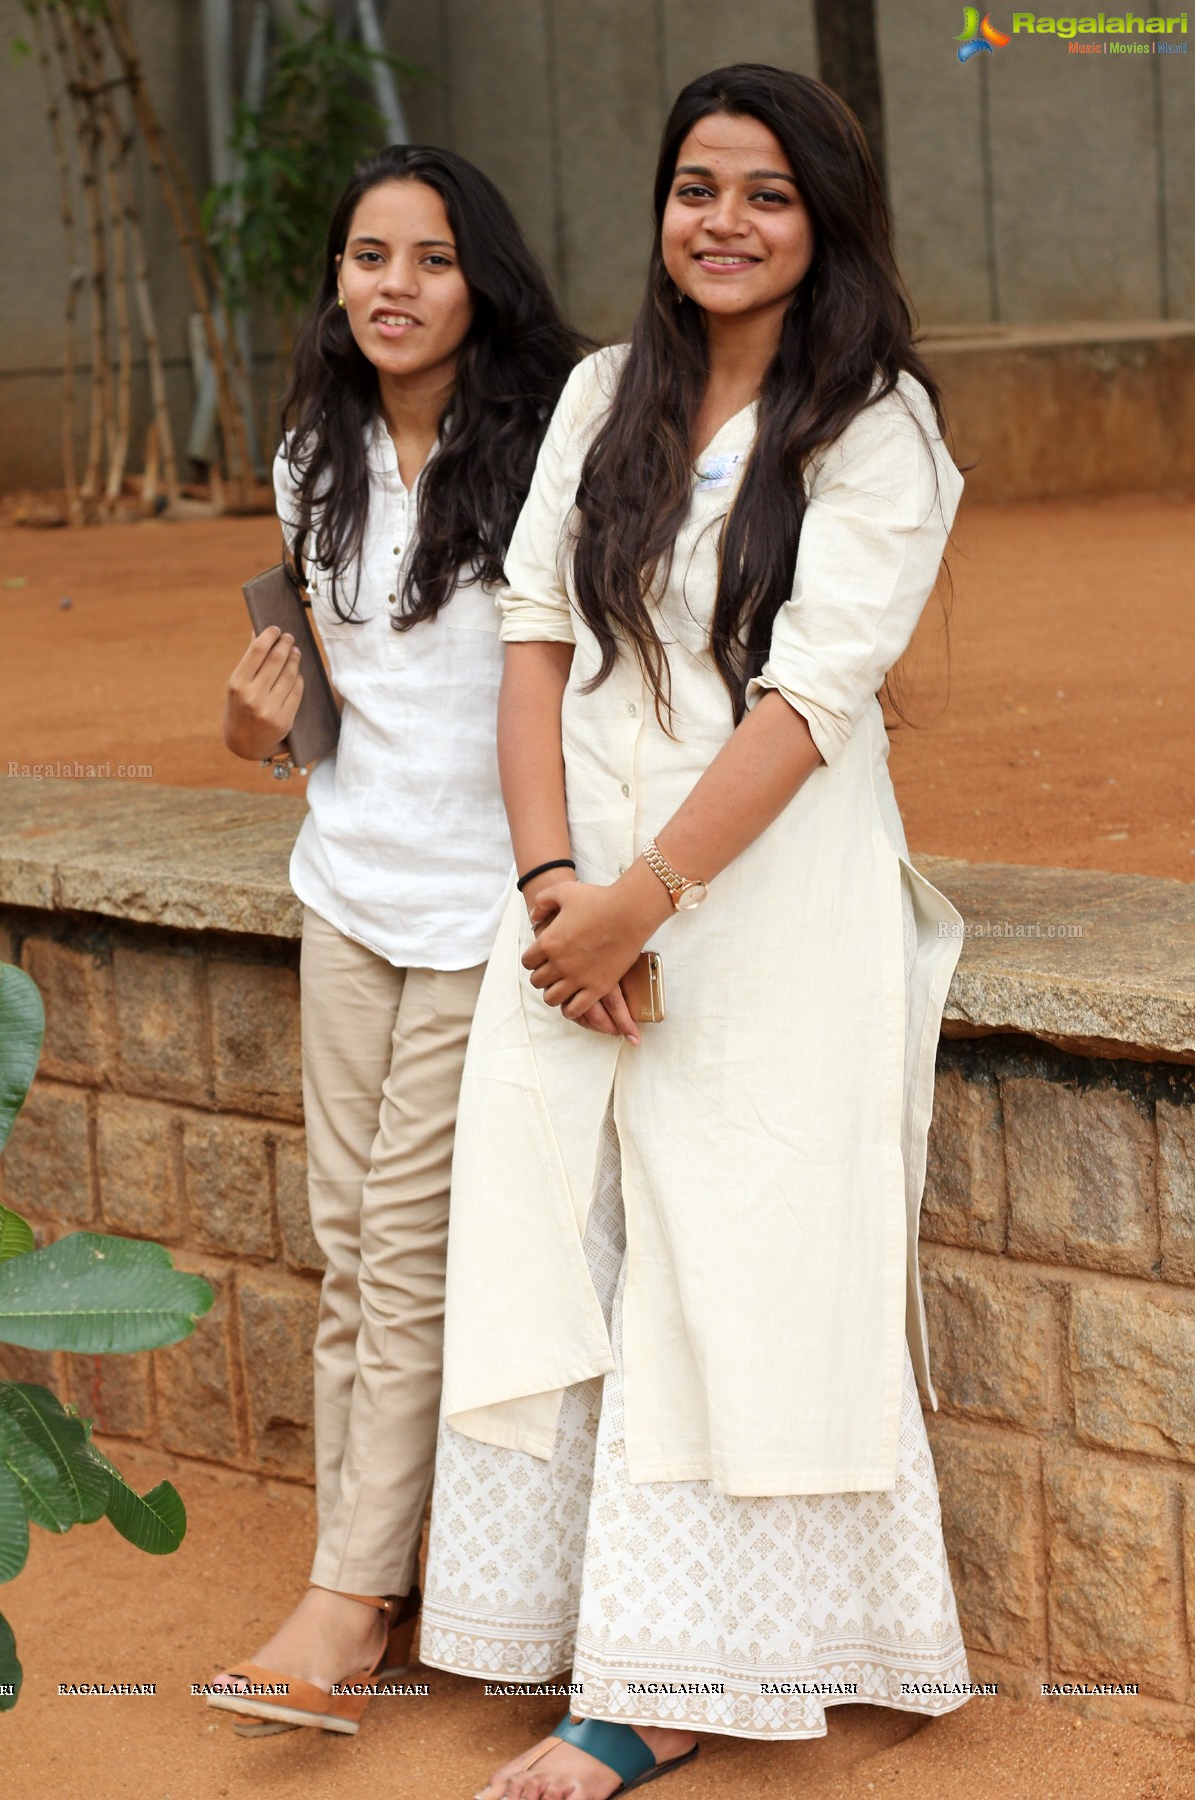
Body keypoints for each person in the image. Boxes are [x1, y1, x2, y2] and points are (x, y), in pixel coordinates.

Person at [419, 65, 971, 1799]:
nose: (722, 223)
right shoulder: (602, 395)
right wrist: (552, 896)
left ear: (825, 225)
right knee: (561, 1226)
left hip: (767, 904)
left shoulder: (876, 429)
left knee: (740, 1258)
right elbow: (526, 641)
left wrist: (645, 902)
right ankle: (570, 1625)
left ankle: (674, 1686)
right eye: (695, 188)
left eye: (766, 195)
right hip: (572, 892)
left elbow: (809, 705)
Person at [209, 144, 584, 1737]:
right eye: (369, 256)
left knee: (406, 1250)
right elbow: (314, 709)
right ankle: (368, 1563)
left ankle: (348, 1601)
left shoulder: (552, 451)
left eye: (429, 259)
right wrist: (251, 731)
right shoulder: (313, 451)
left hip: (483, 908)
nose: (393, 286)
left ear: (480, 279)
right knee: (346, 1241)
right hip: (344, 888)